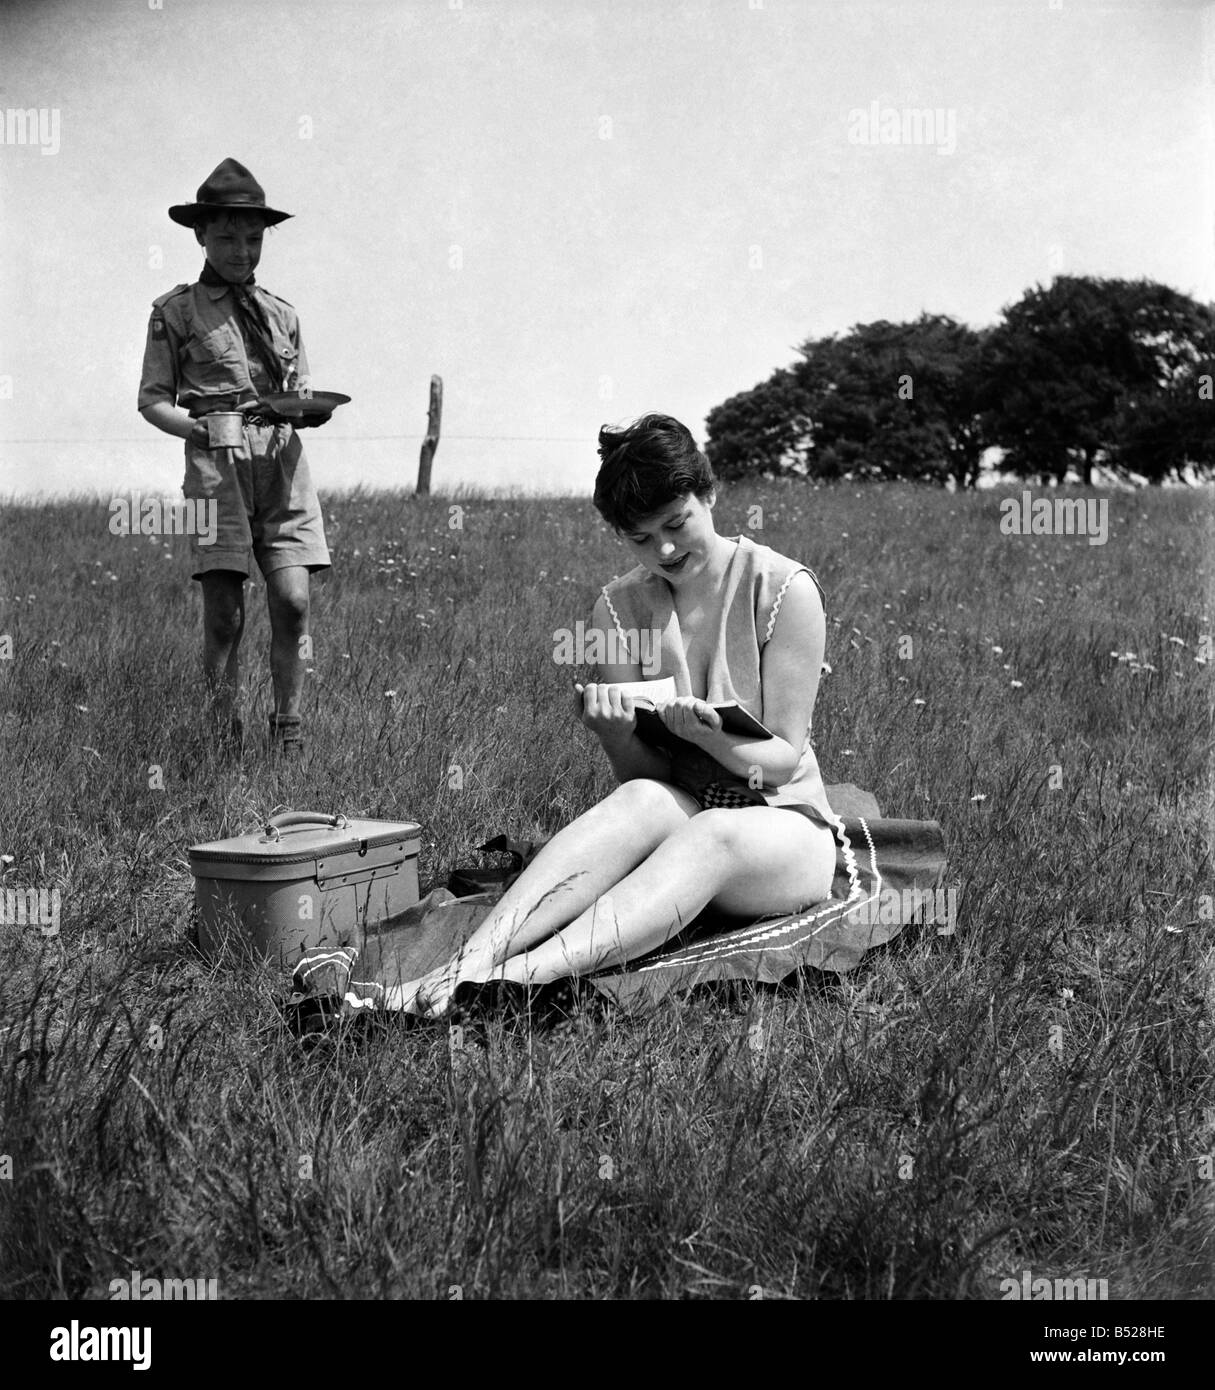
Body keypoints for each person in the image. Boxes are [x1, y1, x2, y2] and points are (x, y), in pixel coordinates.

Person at [398, 413, 839, 1018]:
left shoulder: (786, 590)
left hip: (784, 828)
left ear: (708, 494)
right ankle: (464, 966)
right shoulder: (617, 606)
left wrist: (709, 741)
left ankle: (519, 980)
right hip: (681, 810)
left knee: (713, 831)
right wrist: (612, 732)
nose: (662, 549)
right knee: (640, 804)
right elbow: (642, 779)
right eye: (639, 538)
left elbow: (784, 761)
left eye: (676, 524)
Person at [138, 158, 331, 756]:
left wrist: (308, 411)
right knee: (224, 614)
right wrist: (200, 429)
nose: (241, 250)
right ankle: (223, 735)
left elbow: (297, 392)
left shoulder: (283, 313)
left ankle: (289, 731)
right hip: (216, 467)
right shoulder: (174, 312)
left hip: (283, 464)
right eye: (227, 236)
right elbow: (151, 402)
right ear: (200, 235)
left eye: (252, 237)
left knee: (294, 602)